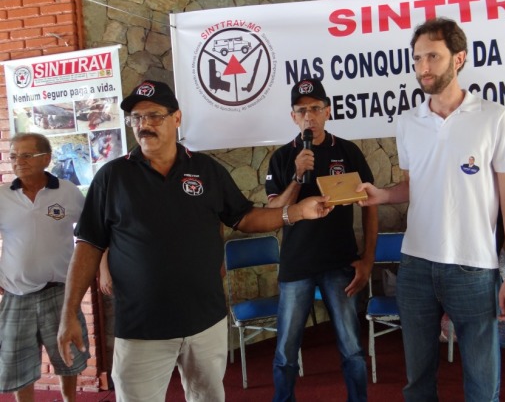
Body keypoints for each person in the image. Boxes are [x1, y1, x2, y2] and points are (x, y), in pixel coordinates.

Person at [57, 80, 332, 402]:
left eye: (154, 116)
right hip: (141, 329)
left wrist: (296, 211)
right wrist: (70, 312)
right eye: (137, 117)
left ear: (177, 118)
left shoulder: (206, 170)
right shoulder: (112, 176)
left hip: (205, 323)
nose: (144, 124)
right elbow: (88, 244)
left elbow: (244, 217)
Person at [358, 17, 505, 401]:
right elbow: (414, 186)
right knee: (417, 383)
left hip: (474, 268)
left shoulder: (494, 117)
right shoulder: (408, 122)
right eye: (417, 59)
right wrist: (381, 195)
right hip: (416, 266)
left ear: (459, 58)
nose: (423, 67)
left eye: (433, 56)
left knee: (482, 385)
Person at [266, 78, 378, 401]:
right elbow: (273, 211)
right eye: (302, 110)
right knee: (286, 353)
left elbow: (370, 205)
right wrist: (297, 177)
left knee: (352, 349)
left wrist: (368, 260)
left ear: (328, 111)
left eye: (315, 108)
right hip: (296, 267)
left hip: (340, 265)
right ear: (293, 117)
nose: (309, 116)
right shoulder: (282, 157)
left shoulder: (348, 152)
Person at [0, 133, 89, 402]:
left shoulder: (67, 191)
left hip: (60, 292)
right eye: (14, 156)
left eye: (27, 155)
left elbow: (90, 232)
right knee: (19, 365)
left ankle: (69, 400)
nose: (19, 161)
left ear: (46, 158)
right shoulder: (2, 195)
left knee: (68, 357)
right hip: (16, 294)